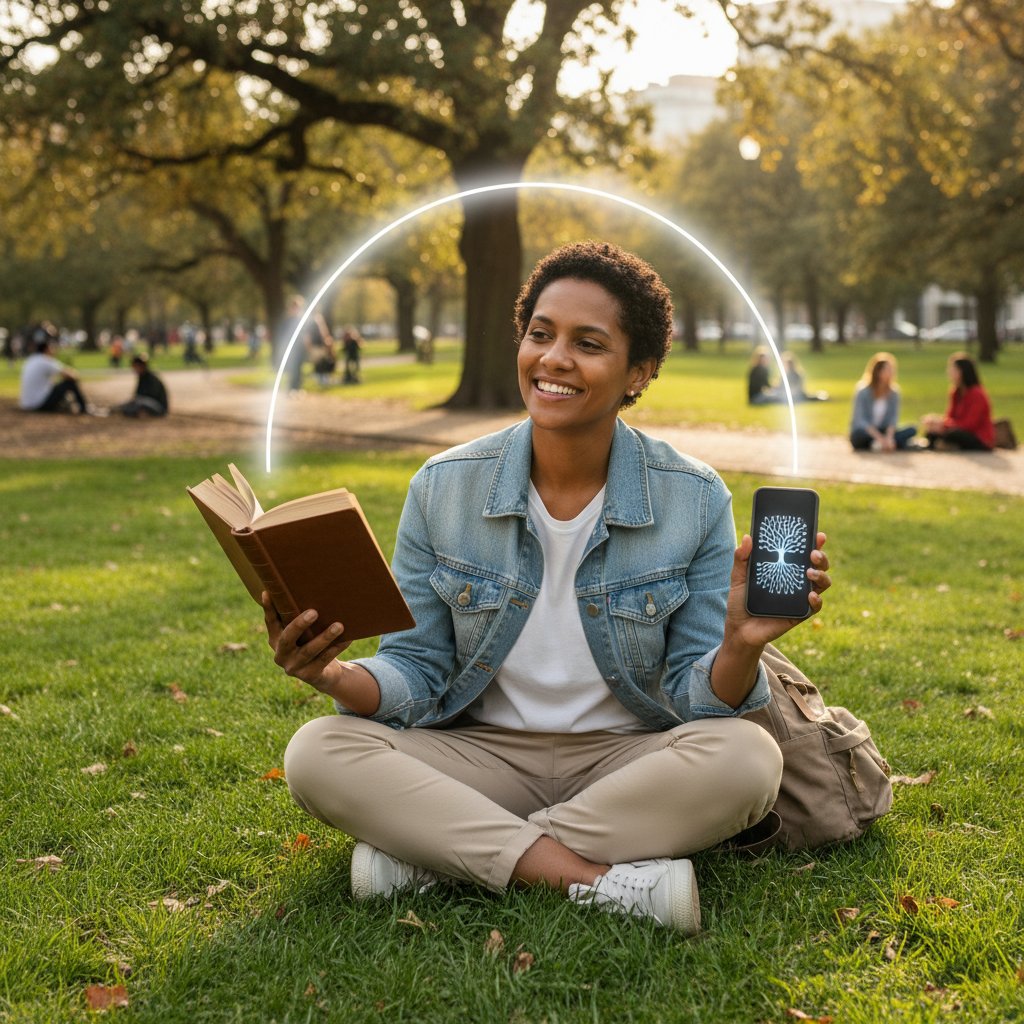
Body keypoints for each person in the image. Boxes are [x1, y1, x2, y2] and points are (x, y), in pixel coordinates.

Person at [267, 242, 831, 934]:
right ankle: (592, 881)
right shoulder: (444, 487)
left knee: (748, 759)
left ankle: (437, 855)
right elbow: (415, 669)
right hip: (481, 752)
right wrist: (331, 672)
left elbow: (698, 700)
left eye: (588, 343)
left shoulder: (694, 497)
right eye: (540, 334)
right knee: (318, 752)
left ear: (639, 372)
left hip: (629, 758)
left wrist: (740, 644)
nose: (554, 359)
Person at [922, 352, 995, 451]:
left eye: (952, 369)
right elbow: (950, 416)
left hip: (978, 437)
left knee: (954, 434)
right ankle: (943, 444)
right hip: (959, 429)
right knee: (931, 432)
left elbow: (970, 424)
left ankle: (946, 444)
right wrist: (938, 422)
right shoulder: (955, 392)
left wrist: (944, 425)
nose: (948, 372)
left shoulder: (977, 394)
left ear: (963, 372)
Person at [849, 352, 916, 451]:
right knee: (858, 436)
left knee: (912, 429)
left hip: (883, 430)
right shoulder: (863, 391)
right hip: (867, 432)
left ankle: (879, 445)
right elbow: (860, 420)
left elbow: (893, 419)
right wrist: (880, 438)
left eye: (892, 369)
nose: (891, 372)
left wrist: (888, 438)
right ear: (878, 371)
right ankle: (890, 443)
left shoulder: (894, 393)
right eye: (887, 369)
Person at [18, 337, 94, 414]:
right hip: (39, 404)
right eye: (52, 348)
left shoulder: (30, 360)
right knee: (69, 383)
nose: (54, 351)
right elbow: (72, 375)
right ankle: (84, 408)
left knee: (57, 386)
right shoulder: (46, 360)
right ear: (46, 349)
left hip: (26, 404)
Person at [111, 353, 169, 417]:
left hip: (159, 408)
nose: (135, 369)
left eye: (137, 366)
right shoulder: (142, 377)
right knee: (131, 403)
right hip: (147, 403)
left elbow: (150, 396)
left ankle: (136, 412)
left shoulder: (151, 378)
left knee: (139, 401)